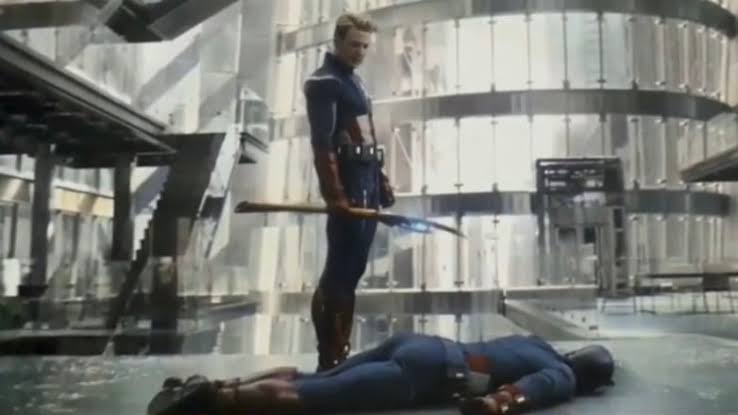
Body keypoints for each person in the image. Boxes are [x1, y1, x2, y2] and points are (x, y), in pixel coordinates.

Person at [147, 332, 615, 415]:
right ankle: (212, 401)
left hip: (421, 343)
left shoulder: (537, 343)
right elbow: (528, 391)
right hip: (433, 372)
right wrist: (494, 405)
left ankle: (222, 385)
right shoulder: (561, 373)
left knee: (315, 378)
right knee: (317, 398)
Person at [304, 12, 395, 371]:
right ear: (338, 41)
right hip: (348, 186)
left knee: (353, 271)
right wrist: (335, 195)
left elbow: (363, 135)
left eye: (365, 46)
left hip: (365, 183)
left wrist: (380, 179)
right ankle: (329, 356)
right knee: (339, 272)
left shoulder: (353, 83)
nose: (360, 51)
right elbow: (322, 143)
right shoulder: (324, 83)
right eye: (354, 44)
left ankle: (338, 353)